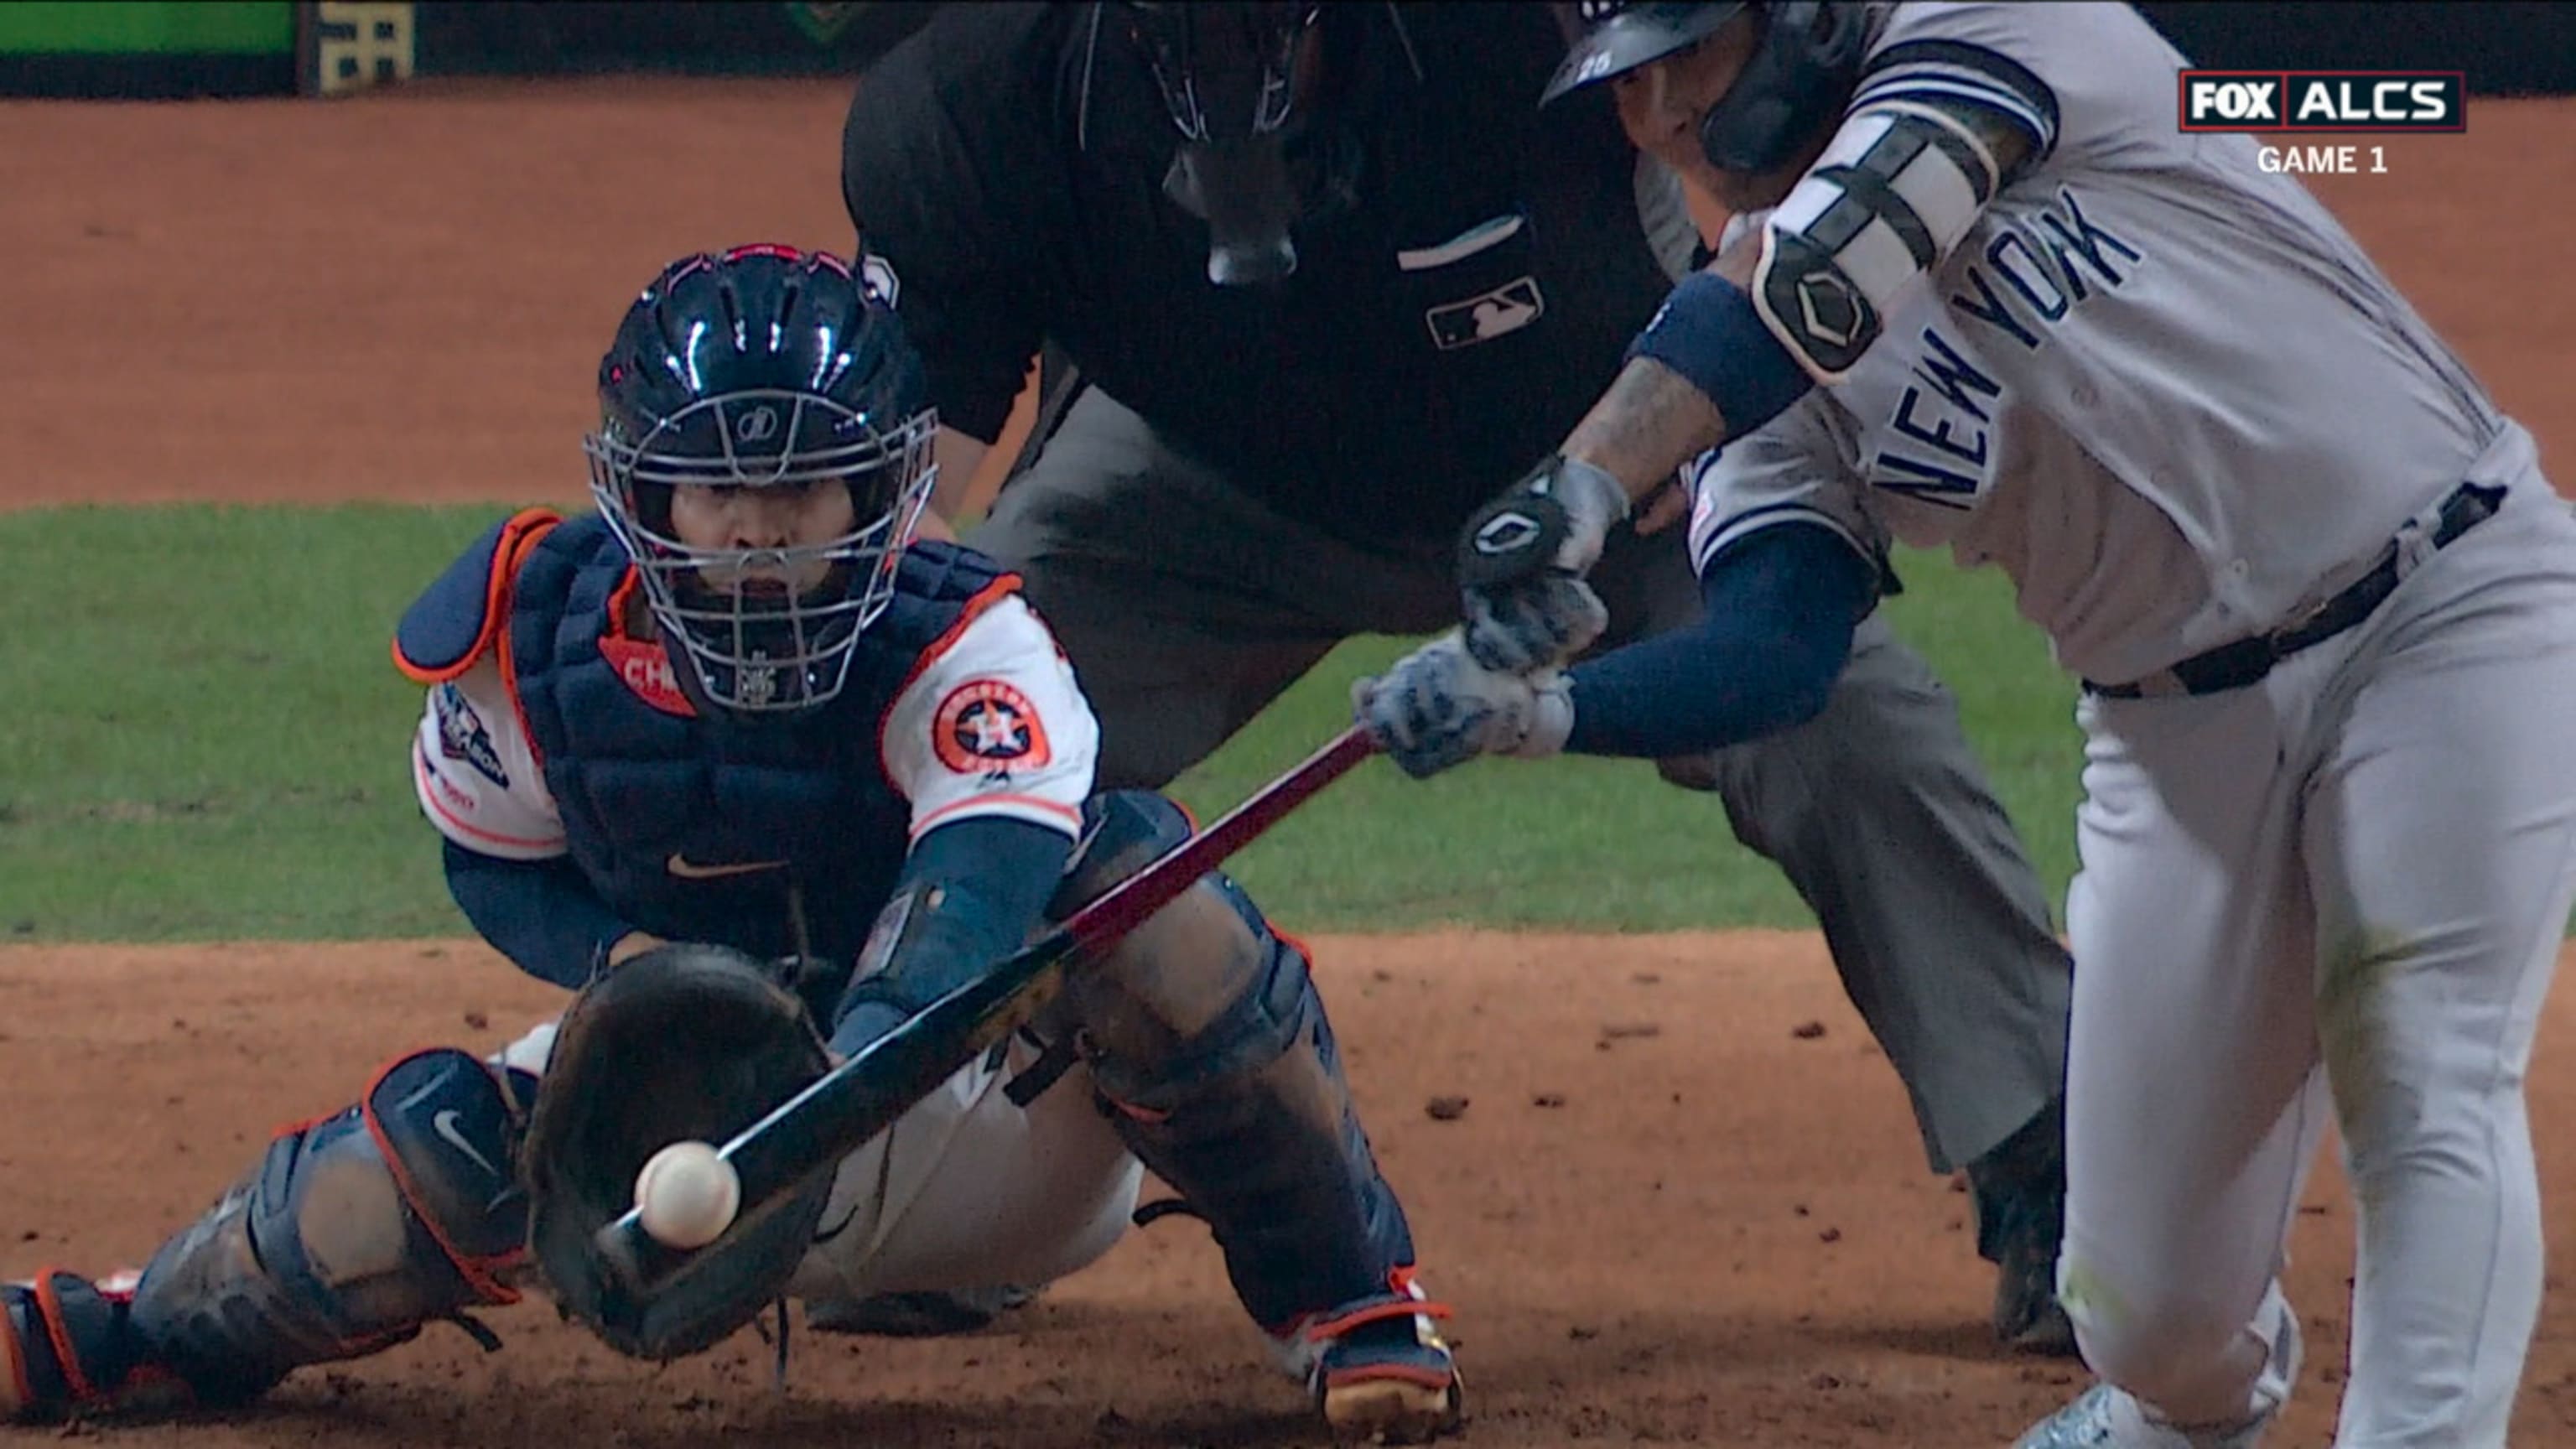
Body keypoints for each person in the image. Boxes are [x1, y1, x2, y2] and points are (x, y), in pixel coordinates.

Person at [1355, 4, 2576, 1446]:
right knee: (2150, 1317)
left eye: (1685, 61)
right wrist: (1545, 709)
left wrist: (1581, 485)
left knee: (2422, 1065)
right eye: (1626, 89)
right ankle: (2175, 1417)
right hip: (2177, 739)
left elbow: (1830, 257)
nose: (1657, 120)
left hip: (2445, 612)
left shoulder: (1998, 28)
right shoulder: (1752, 379)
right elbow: (1775, 649)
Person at [0, 246, 1464, 1446]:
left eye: (803, 497)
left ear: (881, 497)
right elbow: (493, 856)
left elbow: (976, 891)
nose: (759, 539)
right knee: (434, 1155)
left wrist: (852, 1065)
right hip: (703, 1135)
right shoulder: (531, 643)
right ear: (645, 498)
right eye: (720, 496)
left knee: (1141, 888)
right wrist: (621, 966)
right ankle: (130, 1330)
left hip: (988, 1137)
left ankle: (1349, 1300)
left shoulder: (977, 645)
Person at [835, 0, 2079, 1354]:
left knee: (1845, 718)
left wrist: (1671, 438)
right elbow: (900, 517)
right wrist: (953, 707)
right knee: (961, 726)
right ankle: (933, 1180)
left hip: (1597, 479)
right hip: (1198, 495)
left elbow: (1768, 214)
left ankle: (2053, 1167)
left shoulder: (1523, 29)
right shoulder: (978, 104)